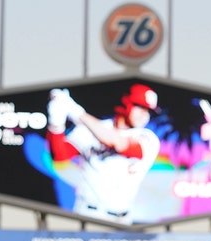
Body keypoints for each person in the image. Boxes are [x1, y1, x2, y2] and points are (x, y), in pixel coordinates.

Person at [46, 83, 161, 225]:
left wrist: (76, 111)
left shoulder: (148, 138)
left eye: (148, 111)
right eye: (140, 107)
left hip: (122, 219)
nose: (145, 115)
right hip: (89, 214)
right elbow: (59, 155)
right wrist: (56, 121)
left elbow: (118, 143)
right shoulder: (93, 129)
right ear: (126, 103)